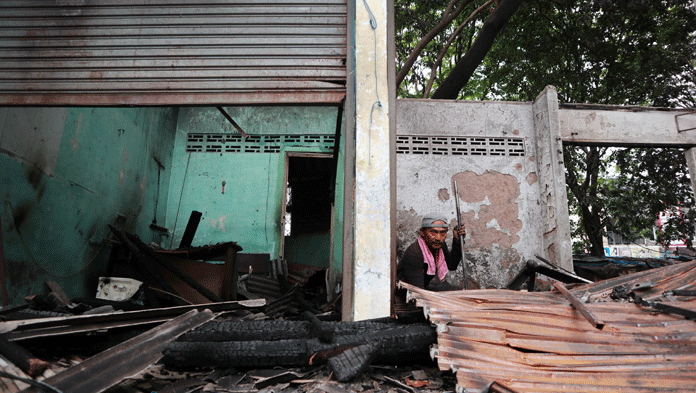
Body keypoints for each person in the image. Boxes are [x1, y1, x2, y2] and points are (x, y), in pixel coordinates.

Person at [397, 212, 466, 291]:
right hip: (407, 294)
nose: (438, 238)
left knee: (461, 291)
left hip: (422, 288)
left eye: (443, 233)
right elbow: (418, 292)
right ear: (422, 232)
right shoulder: (414, 254)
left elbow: (452, 266)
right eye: (433, 232)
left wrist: (457, 240)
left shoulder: (439, 245)